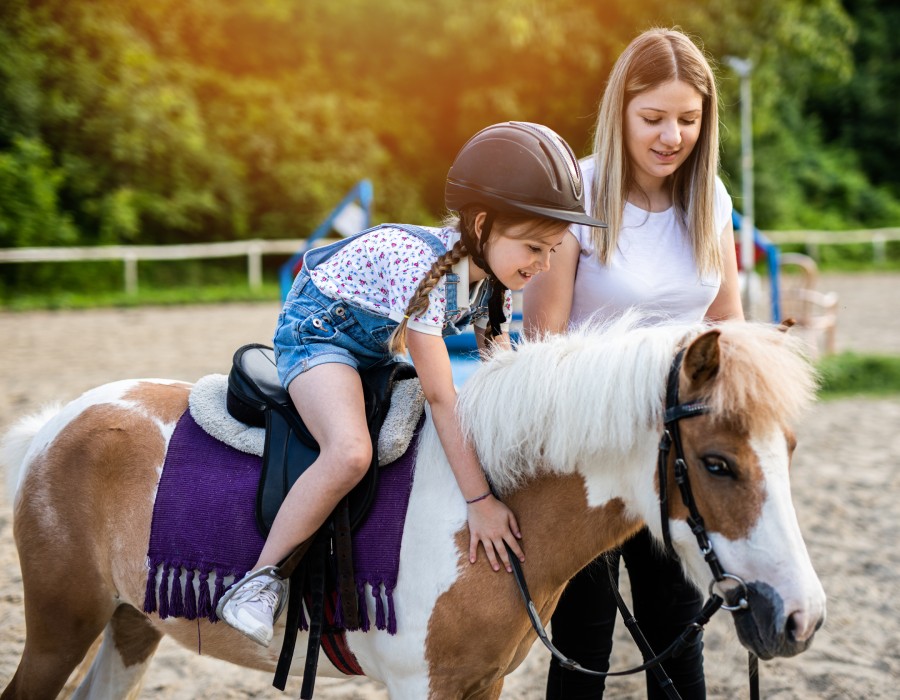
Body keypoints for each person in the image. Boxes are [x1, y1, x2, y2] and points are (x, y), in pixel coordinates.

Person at [216, 121, 608, 647]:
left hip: (373, 348)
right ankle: (260, 582)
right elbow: (443, 396)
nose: (543, 264)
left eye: (553, 251)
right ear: (485, 223)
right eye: (534, 248)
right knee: (350, 450)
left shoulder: (495, 286)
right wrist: (479, 502)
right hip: (318, 335)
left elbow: (502, 376)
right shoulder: (422, 266)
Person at [523, 28, 744, 700]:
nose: (670, 135)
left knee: (677, 634)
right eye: (653, 118)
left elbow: (725, 328)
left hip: (675, 454)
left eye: (688, 119)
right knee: (584, 640)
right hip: (588, 453)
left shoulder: (712, 202)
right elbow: (543, 341)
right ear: (621, 110)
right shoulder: (577, 196)